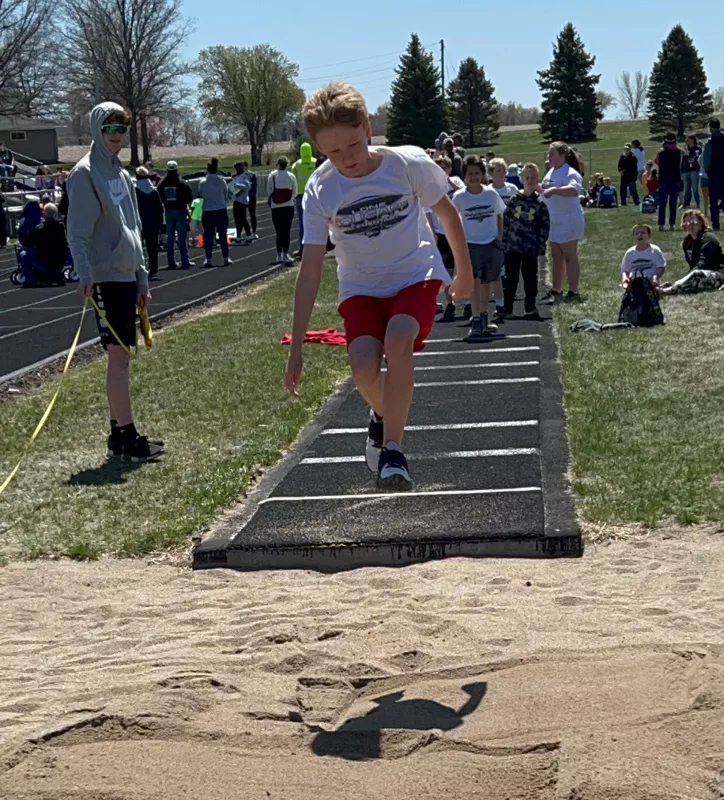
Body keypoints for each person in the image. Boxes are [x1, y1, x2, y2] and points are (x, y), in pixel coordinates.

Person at [285, 82, 473, 491]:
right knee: (364, 366)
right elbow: (311, 269)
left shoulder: (407, 165)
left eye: (352, 145)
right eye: (332, 152)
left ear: (368, 130)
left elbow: (447, 215)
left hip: (414, 276)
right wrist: (297, 344)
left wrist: (464, 273)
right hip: (362, 288)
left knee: (399, 337)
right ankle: (381, 414)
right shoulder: (321, 189)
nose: (346, 159)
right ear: (319, 150)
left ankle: (393, 451)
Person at [66, 101, 163, 462]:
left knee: (123, 359)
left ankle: (119, 433)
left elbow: (134, 227)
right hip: (106, 278)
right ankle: (126, 434)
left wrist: (141, 277)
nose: (117, 137)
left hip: (126, 276)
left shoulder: (121, 174)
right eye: (111, 129)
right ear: (97, 130)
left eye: (122, 130)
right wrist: (86, 273)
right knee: (119, 358)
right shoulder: (85, 173)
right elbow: (77, 232)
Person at [452, 154, 506, 340]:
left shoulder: (491, 194)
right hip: (470, 245)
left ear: (483, 174)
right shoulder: (459, 197)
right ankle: (475, 319)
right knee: (473, 283)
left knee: (486, 282)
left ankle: (484, 315)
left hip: (490, 243)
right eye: (470, 174)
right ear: (464, 176)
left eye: (477, 173)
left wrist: (498, 238)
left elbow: (499, 215)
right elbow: (453, 221)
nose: (473, 177)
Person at [502, 162, 550, 319]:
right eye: (527, 177)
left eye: (533, 178)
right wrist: (505, 241)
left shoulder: (540, 204)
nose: (530, 180)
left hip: (530, 248)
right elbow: (506, 221)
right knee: (511, 279)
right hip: (512, 247)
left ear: (538, 180)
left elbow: (544, 226)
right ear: (521, 179)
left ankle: (530, 307)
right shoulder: (514, 200)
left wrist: (540, 244)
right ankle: (507, 308)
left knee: (530, 279)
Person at [540, 141, 585, 303]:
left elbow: (574, 190)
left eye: (552, 153)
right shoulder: (551, 172)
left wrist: (554, 190)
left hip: (568, 218)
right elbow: (545, 192)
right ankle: (556, 289)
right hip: (553, 219)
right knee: (556, 255)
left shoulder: (569, 172)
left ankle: (573, 291)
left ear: (562, 155)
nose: (549, 157)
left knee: (569, 255)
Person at [425, 154, 465, 322]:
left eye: (444, 168)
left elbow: (465, 194)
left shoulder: (456, 181)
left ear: (449, 169)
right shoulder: (430, 186)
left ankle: (468, 302)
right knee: (447, 270)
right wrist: (432, 233)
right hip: (442, 233)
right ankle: (450, 303)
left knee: (462, 267)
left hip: (459, 231)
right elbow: (427, 210)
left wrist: (449, 183)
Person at [660, 209, 723, 294]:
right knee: (694, 278)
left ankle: (667, 290)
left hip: (717, 275)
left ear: (700, 223)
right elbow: (692, 265)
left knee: (697, 274)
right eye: (687, 222)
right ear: (684, 226)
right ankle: (669, 288)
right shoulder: (687, 242)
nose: (690, 224)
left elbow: (703, 263)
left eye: (693, 221)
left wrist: (688, 276)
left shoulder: (708, 238)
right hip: (700, 275)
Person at [489, 157, 519, 321]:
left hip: (511, 233)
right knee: (498, 270)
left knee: (511, 267)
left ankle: (509, 299)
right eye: (497, 170)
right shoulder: (488, 191)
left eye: (503, 170)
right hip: (494, 233)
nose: (501, 173)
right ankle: (500, 301)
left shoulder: (512, 189)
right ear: (491, 174)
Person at [157, 160, 193, 269]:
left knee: (170, 238)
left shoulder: (162, 183)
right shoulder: (182, 183)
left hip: (168, 211)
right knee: (181, 237)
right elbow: (189, 197)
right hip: (180, 211)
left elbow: (159, 196)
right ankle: (184, 261)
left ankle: (171, 262)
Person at [198, 157, 232, 268]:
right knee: (222, 235)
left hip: (208, 212)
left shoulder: (202, 182)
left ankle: (208, 259)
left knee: (208, 237)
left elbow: (200, 195)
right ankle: (226, 258)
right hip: (221, 211)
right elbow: (226, 196)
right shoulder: (222, 181)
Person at [24, 202, 68, 283]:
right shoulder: (61, 227)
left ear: (44, 214)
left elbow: (28, 242)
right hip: (60, 261)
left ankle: (29, 279)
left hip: (44, 261)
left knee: (25, 254)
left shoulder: (39, 228)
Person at [134, 166, 164, 280]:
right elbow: (160, 209)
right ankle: (153, 270)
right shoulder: (154, 191)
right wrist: (161, 224)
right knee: (152, 249)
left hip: (139, 224)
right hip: (152, 224)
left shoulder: (135, 191)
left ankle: (139, 270)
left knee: (138, 249)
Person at [267, 156, 297, 265]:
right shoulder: (291, 176)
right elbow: (295, 192)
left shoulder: (272, 176)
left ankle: (278, 254)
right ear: (287, 165)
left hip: (276, 207)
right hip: (288, 206)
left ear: (278, 164)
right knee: (287, 231)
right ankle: (285, 253)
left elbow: (269, 191)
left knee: (279, 231)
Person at [620, 224, 666, 289]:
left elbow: (661, 267)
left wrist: (655, 277)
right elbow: (625, 270)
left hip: (651, 283)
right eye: (637, 233)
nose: (639, 235)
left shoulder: (655, 250)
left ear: (649, 235)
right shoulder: (629, 253)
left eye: (643, 233)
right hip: (634, 283)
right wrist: (625, 280)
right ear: (634, 236)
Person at [292, 142, 317, 257]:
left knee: (302, 223)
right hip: (314, 195)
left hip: (300, 195)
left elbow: (293, 180)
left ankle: (302, 249)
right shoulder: (315, 162)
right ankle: (317, 248)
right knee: (317, 222)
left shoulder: (296, 165)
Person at [654, 132, 683, 231]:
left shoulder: (660, 152)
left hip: (663, 179)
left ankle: (661, 224)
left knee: (662, 203)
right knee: (673, 203)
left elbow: (656, 162)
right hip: (675, 179)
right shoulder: (679, 151)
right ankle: (672, 224)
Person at [702, 118, 724, 230]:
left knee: (714, 200)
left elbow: (706, 161)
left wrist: (706, 171)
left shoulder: (709, 142)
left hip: (714, 173)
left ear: (710, 127)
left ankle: (716, 224)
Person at [231, 162, 252, 244]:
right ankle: (239, 237)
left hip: (240, 201)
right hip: (241, 200)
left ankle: (248, 236)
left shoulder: (242, 177)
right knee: (239, 220)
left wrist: (235, 187)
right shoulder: (240, 177)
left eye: (235, 169)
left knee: (242, 219)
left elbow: (244, 186)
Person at [682, 135, 702, 209]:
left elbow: (695, 159)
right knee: (686, 188)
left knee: (695, 188)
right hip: (686, 170)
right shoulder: (686, 149)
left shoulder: (698, 148)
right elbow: (684, 160)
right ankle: (686, 203)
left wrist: (692, 158)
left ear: (692, 139)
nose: (687, 141)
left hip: (694, 170)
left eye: (688, 139)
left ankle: (698, 203)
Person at [242, 161, 259, 238]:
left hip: (251, 198)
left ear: (246, 166)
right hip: (243, 198)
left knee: (252, 215)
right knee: (243, 216)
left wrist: (251, 195)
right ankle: (247, 232)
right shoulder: (240, 176)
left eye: (244, 166)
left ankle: (254, 232)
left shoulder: (252, 175)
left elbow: (254, 186)